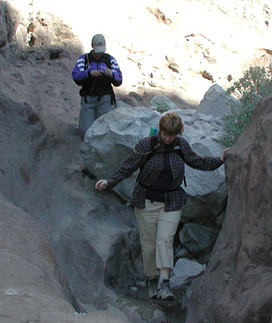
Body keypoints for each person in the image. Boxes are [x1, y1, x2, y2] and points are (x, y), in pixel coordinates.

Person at [94, 112, 227, 301]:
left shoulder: (181, 146)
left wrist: (220, 160)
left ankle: (164, 283)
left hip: (171, 200)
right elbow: (128, 166)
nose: (168, 138)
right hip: (146, 200)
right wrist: (109, 182)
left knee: (164, 240)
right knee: (149, 243)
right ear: (161, 130)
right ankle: (151, 279)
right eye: (165, 134)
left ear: (178, 133)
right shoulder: (147, 145)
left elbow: (197, 161)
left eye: (172, 135)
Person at [72, 34, 123, 139]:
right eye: (97, 50)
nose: (100, 53)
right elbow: (76, 76)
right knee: (86, 132)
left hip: (105, 99)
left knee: (105, 130)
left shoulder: (110, 59)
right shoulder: (84, 59)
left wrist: (112, 74)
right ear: (92, 46)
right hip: (88, 100)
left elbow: (119, 79)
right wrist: (89, 73)